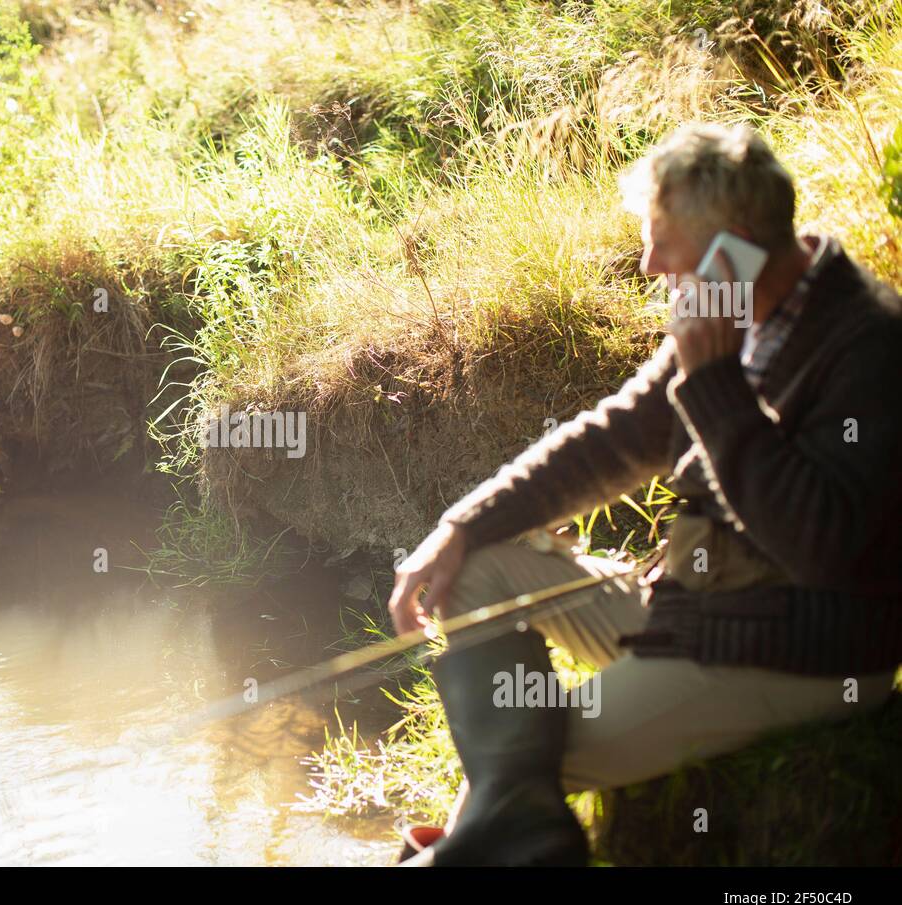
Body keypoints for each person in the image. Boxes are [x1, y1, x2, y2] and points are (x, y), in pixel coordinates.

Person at [387, 122, 902, 866]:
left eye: (665, 241)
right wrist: (461, 524)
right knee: (473, 573)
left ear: (738, 242)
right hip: (692, 610)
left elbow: (822, 547)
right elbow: (613, 436)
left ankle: (465, 851)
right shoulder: (732, 310)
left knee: (533, 743)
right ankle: (493, 839)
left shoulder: (870, 347)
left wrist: (718, 387)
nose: (648, 261)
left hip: (796, 653)